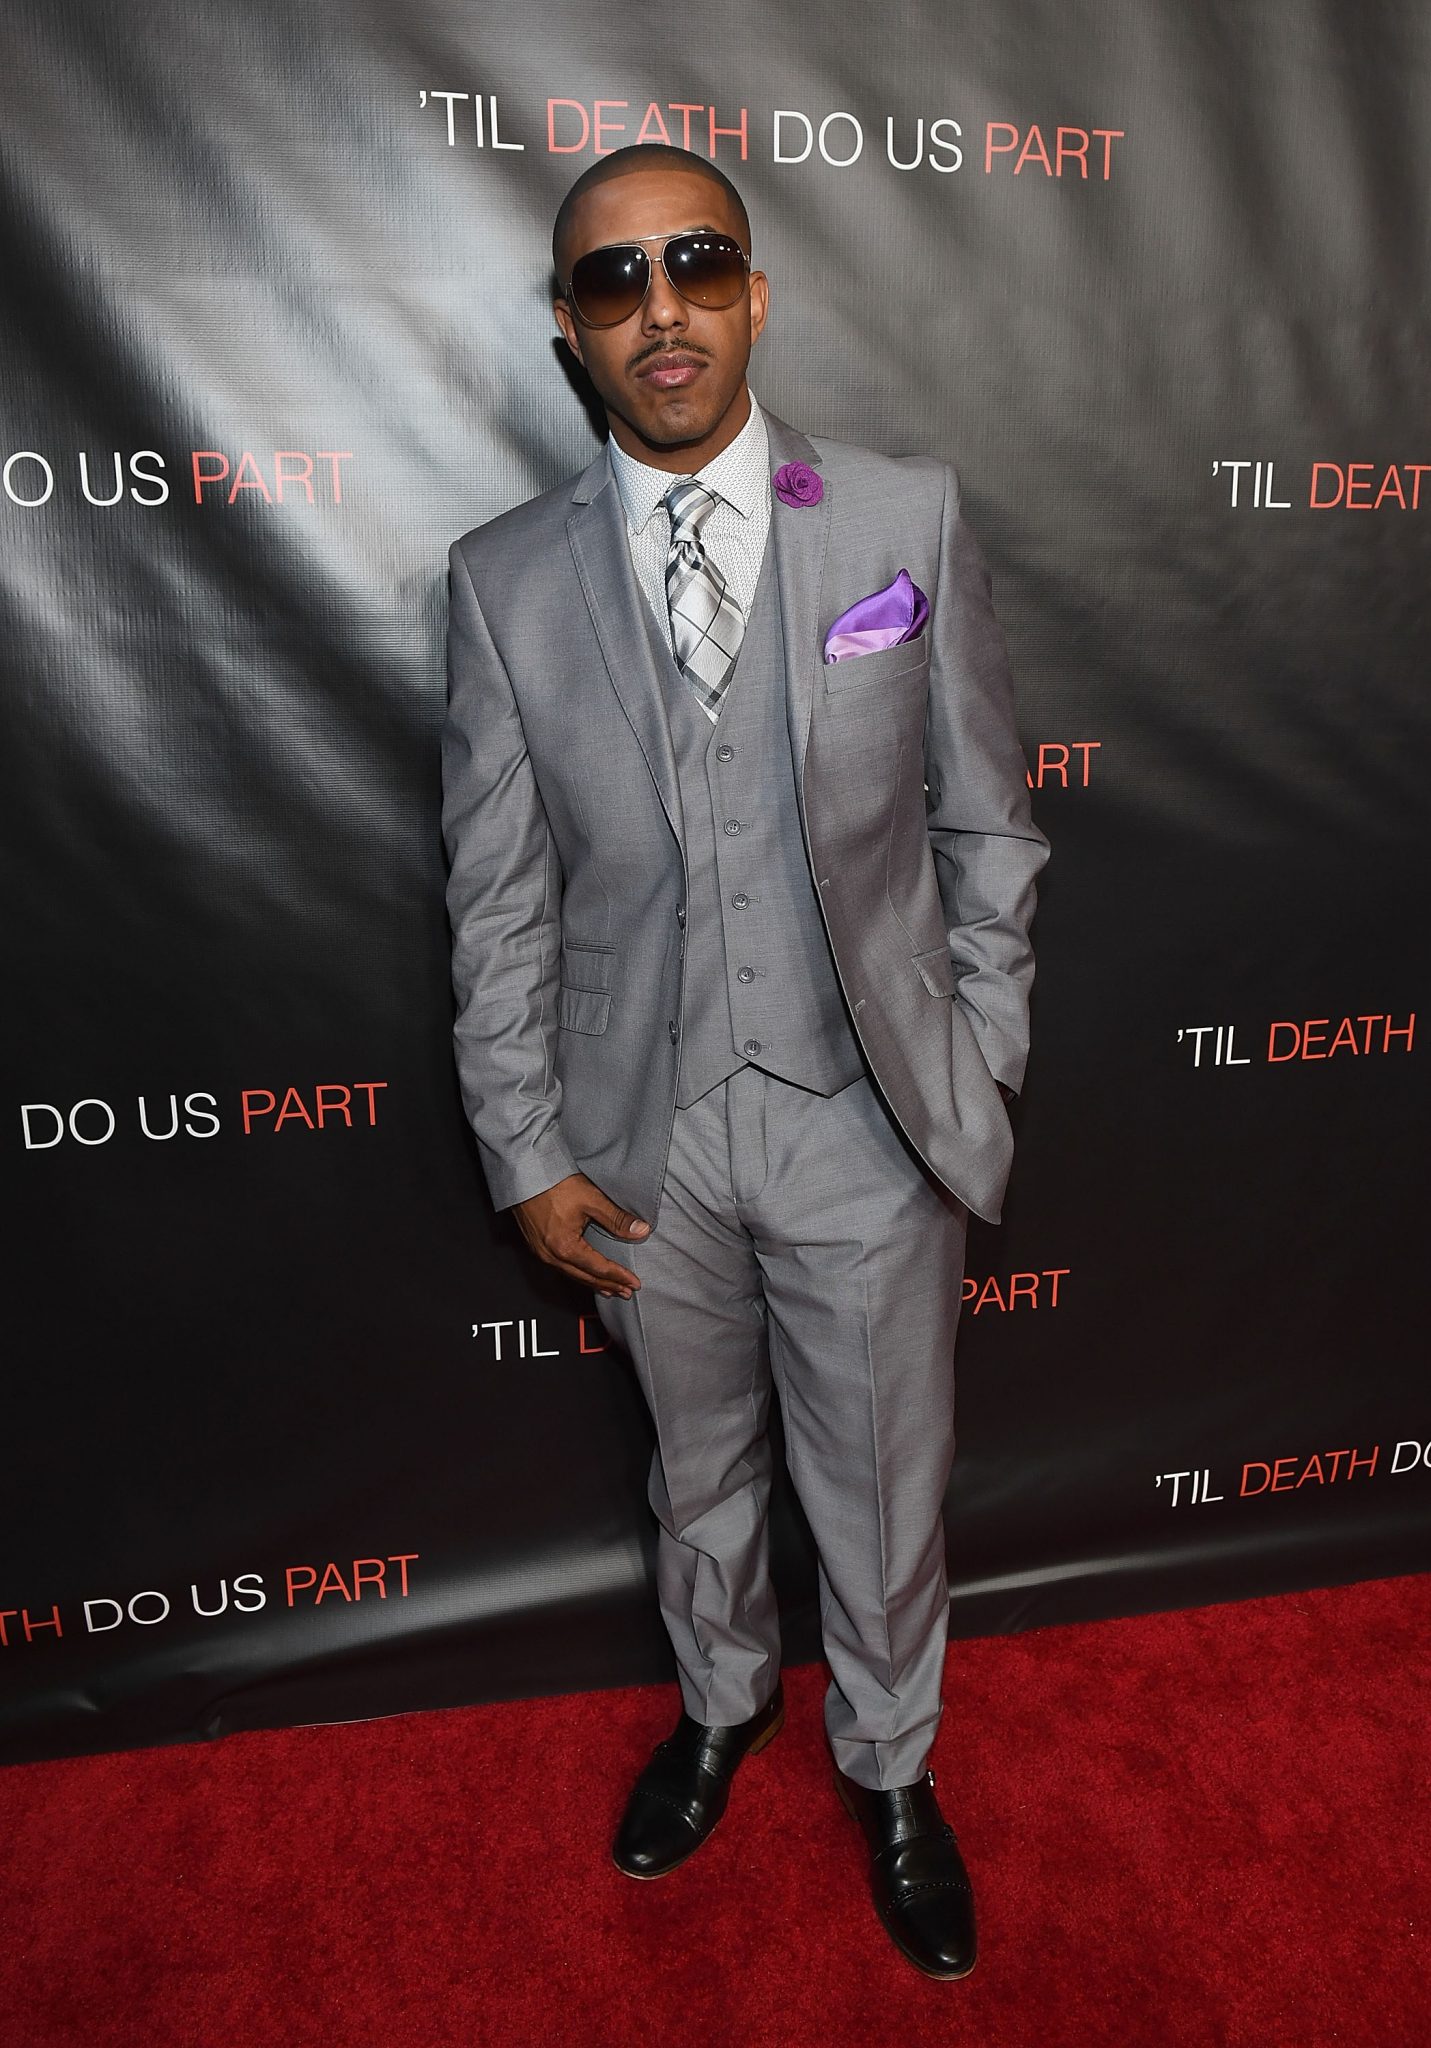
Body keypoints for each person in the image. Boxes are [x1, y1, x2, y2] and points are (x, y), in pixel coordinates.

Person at [441, 142, 1049, 1982]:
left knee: (883, 1481)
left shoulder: (902, 519)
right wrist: (526, 1144)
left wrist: (977, 1060)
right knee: (697, 1470)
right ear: (570, 329)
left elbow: (987, 824)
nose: (663, 309)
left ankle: (892, 1763)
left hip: (870, 1118)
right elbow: (497, 898)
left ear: (756, 294)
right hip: (644, 1138)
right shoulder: (501, 581)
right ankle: (721, 1708)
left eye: (696, 264)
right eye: (613, 280)